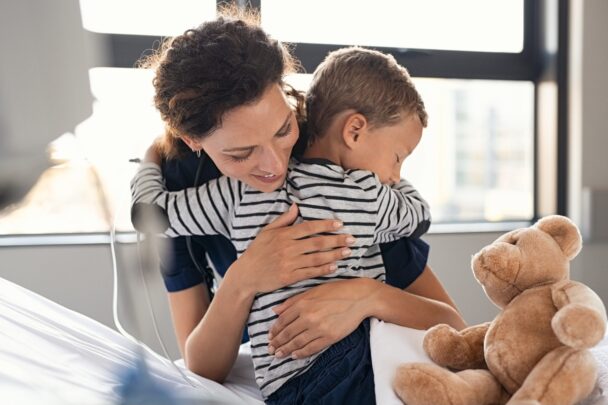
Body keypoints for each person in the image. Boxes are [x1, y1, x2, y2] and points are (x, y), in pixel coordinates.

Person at [132, 6, 465, 403]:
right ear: (193, 142)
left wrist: (365, 296)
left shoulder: (342, 160)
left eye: (283, 130)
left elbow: (452, 325)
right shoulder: (184, 181)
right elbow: (201, 364)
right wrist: (246, 277)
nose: (274, 167)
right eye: (241, 154)